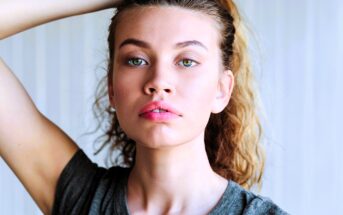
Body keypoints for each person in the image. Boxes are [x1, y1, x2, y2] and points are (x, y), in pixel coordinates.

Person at [0, 0, 288, 214]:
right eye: (136, 60)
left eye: (186, 61)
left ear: (222, 89)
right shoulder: (82, 198)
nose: (158, 82)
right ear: (112, 88)